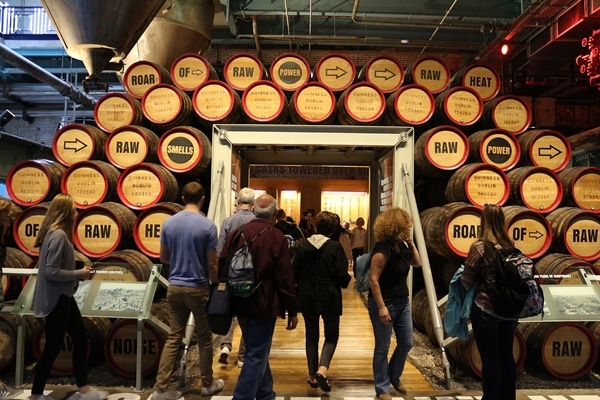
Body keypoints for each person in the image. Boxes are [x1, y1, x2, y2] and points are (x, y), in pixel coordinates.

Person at [220, 194, 299, 400]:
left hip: (238, 300)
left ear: (254, 210)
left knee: (257, 349)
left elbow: (223, 264)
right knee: (256, 354)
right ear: (273, 215)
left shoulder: (237, 233)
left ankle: (266, 394)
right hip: (264, 304)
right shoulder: (276, 237)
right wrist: (292, 308)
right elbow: (284, 276)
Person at [30, 193, 107, 400]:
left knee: (81, 338)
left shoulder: (54, 233)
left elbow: (56, 266)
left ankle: (84, 388)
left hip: (63, 295)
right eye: (73, 209)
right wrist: (79, 274)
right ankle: (36, 395)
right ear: (66, 211)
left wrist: (77, 267)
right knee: (53, 346)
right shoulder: (58, 236)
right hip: (57, 298)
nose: (76, 212)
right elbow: (51, 272)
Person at [152, 181, 224, 400]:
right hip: (198, 288)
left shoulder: (168, 223)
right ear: (203, 199)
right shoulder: (207, 226)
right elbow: (212, 264)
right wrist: (216, 283)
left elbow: (163, 257)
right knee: (204, 338)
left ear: (183, 198)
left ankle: (161, 389)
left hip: (175, 287)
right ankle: (207, 385)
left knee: (174, 337)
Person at [460, 204, 519, 400]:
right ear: (502, 221)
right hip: (510, 309)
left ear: (483, 221)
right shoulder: (512, 244)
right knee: (507, 355)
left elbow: (466, 281)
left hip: (486, 309)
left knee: (490, 358)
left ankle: (491, 398)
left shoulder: (480, 247)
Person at [292, 211, 351, 392]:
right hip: (330, 295)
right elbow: (342, 277)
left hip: (307, 293)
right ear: (333, 229)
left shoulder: (302, 246)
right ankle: (323, 369)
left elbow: (294, 272)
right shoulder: (334, 248)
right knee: (331, 335)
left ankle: (312, 375)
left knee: (311, 336)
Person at [368, 207, 421, 400]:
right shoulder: (382, 250)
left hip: (403, 302)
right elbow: (373, 279)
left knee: (407, 342)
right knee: (382, 346)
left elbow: (417, 263)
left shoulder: (403, 247)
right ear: (398, 227)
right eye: (406, 226)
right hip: (385, 302)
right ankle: (382, 388)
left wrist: (412, 242)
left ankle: (394, 376)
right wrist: (381, 307)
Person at [215, 187, 256, 367]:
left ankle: (225, 345)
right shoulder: (257, 223)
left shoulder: (228, 221)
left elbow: (219, 251)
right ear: (253, 205)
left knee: (228, 310)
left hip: (230, 273)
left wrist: (219, 276)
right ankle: (242, 356)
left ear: (237, 202)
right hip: (249, 275)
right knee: (247, 314)